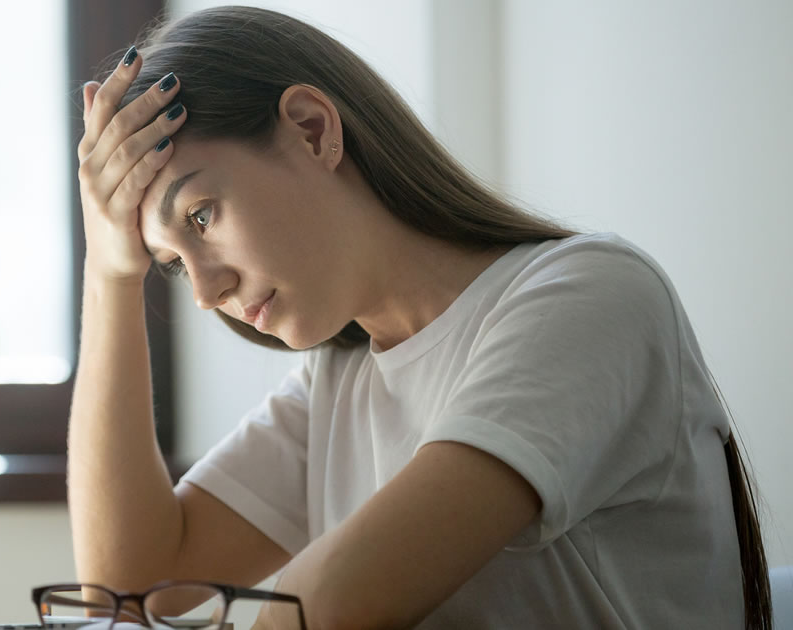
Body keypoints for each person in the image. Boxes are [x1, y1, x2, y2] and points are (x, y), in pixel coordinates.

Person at [67, 6, 771, 629]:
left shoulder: (592, 297)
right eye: (172, 262)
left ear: (312, 131)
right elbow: (129, 582)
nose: (205, 290)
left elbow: (336, 604)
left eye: (201, 215)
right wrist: (109, 271)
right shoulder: (339, 381)